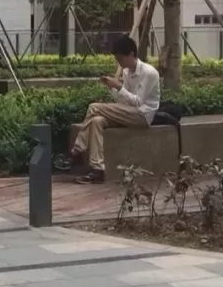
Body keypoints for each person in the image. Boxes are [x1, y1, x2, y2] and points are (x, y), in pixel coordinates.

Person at [63, 36, 160, 185]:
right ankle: (97, 170)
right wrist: (112, 88)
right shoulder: (127, 72)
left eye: (121, 59)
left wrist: (119, 86)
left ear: (131, 54)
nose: (119, 62)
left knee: (94, 107)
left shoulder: (149, 73)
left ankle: (77, 151)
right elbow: (123, 101)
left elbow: (138, 101)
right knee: (96, 121)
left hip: (142, 116)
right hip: (128, 113)